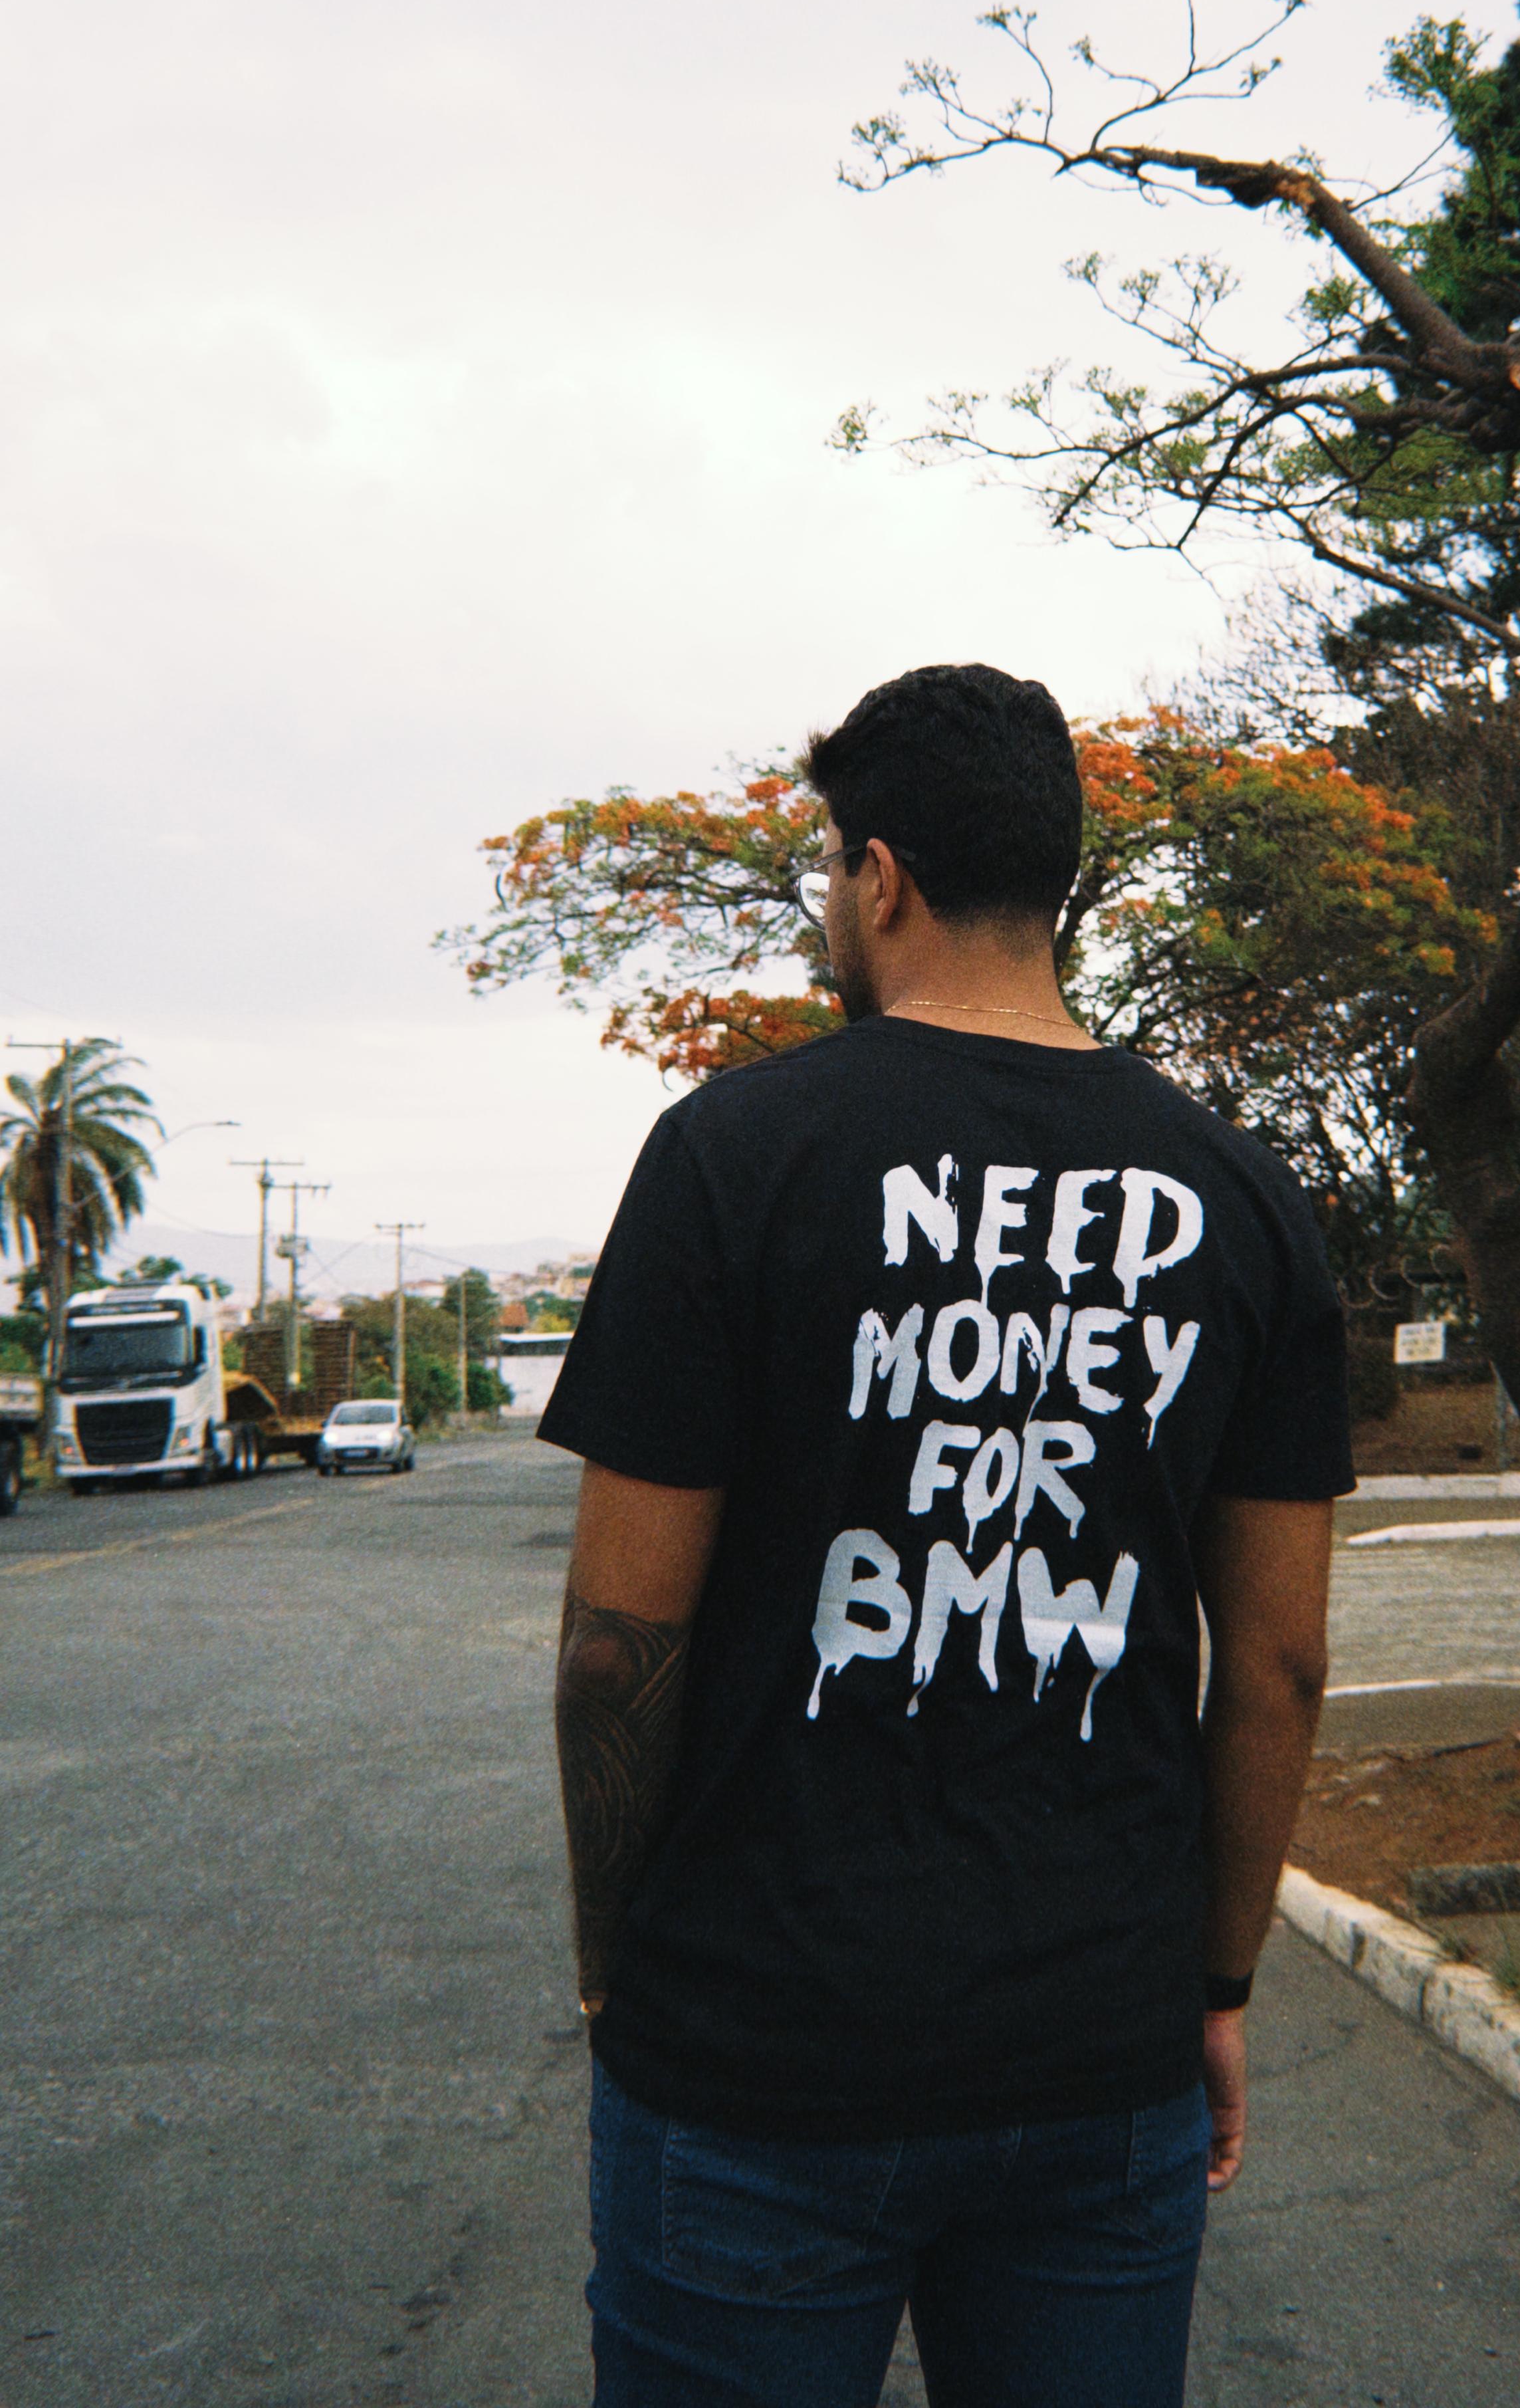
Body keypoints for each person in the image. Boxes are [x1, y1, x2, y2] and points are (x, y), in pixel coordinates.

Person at [540, 662, 1356, 2408]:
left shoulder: (728, 1157)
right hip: (1098, 2059)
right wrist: (1216, 1986)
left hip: (755, 2053)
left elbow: (618, 1643)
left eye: (833, 871)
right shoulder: (1243, 1198)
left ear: (882, 875)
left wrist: (616, 1957)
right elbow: (1279, 1663)